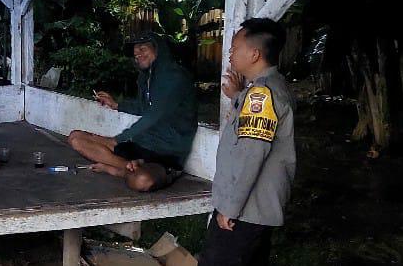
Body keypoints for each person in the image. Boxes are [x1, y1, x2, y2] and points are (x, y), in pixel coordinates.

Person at [198, 18, 296, 266]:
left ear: (254, 54)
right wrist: (237, 96)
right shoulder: (271, 87)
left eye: (234, 47)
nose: (230, 53)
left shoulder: (261, 94)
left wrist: (230, 208)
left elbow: (251, 155)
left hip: (245, 212)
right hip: (256, 209)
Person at [67, 33, 198, 192]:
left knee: (142, 181)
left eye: (143, 49)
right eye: (135, 53)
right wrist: (116, 105)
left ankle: (118, 170)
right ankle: (128, 166)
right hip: (140, 145)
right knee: (76, 138)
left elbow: (154, 114)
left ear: (158, 49)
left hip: (166, 155)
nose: (138, 54)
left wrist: (118, 140)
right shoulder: (146, 78)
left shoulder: (176, 77)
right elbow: (144, 107)